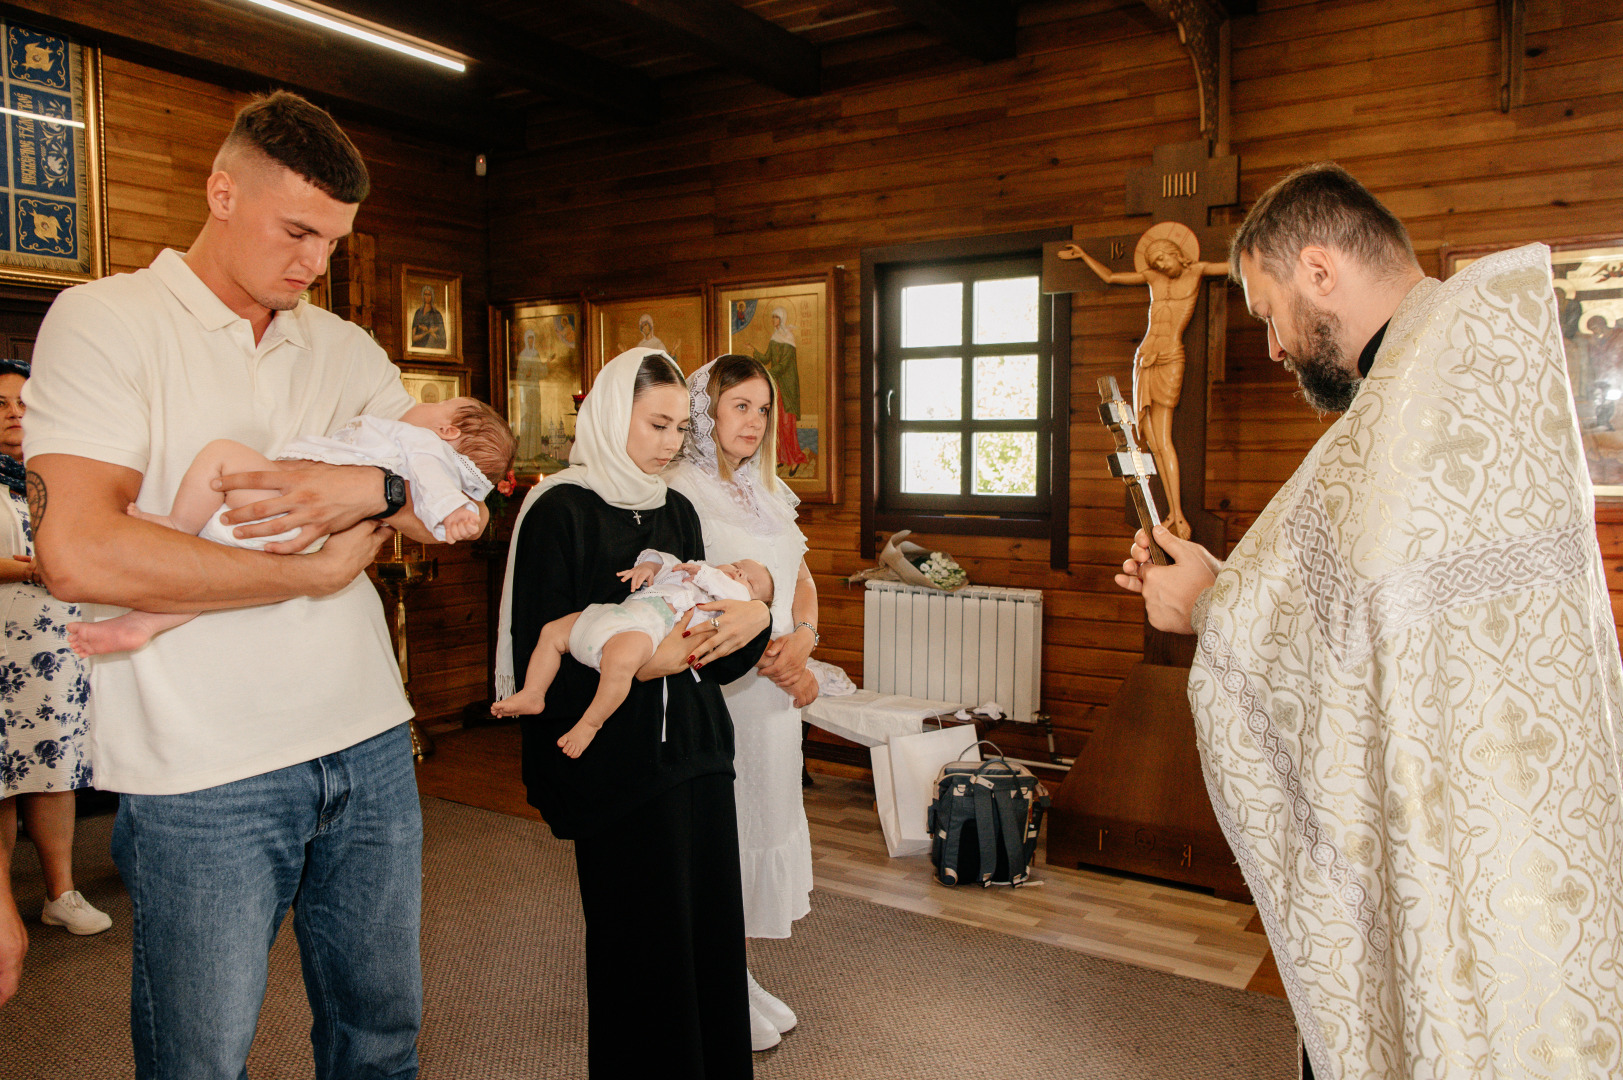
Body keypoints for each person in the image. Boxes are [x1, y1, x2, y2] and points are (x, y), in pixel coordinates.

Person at [1116, 163, 1623, 1080]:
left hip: (1460, 840)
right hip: (1501, 820)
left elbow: (1366, 613)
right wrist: (1225, 588)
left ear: (1317, 269)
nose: (1270, 347)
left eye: (1267, 313)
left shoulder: (1415, 402)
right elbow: (1387, 621)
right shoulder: (1464, 364)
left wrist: (1208, 608)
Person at [24, 91, 434, 1077]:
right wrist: (317, 566)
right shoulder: (103, 320)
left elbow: (435, 503)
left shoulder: (341, 345)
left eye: (332, 242)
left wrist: (364, 485)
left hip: (368, 739)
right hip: (204, 770)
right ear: (220, 191)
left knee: (381, 1037)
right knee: (198, 1061)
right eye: (297, 230)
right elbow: (81, 551)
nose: (314, 262)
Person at [496, 347, 772, 1078]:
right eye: (656, 425)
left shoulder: (675, 509)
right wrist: (647, 660)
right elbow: (542, 641)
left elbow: (703, 630)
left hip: (698, 756)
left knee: (709, 942)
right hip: (619, 769)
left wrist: (749, 625)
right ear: (613, 413)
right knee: (641, 955)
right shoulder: (559, 507)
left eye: (681, 430)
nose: (669, 444)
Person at [65, 397, 513, 657]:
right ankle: (144, 624)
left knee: (223, 454)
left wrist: (457, 510)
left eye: (437, 403)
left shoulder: (420, 444)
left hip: (282, 510)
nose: (422, 403)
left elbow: (438, 484)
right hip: (300, 539)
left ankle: (177, 523)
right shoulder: (417, 450)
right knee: (222, 576)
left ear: (447, 431)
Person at [665, 354, 819, 1052]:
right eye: (739, 407)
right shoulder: (679, 492)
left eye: (763, 409)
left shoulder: (771, 491)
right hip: (723, 688)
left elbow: (800, 577)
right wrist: (760, 642)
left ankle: (734, 970)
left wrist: (804, 640)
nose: (754, 422)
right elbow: (681, 593)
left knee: (763, 817)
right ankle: (711, 981)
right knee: (720, 833)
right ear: (707, 412)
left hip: (775, 694)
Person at [0, 358, 107, 1011]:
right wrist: (37, 565)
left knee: (55, 770)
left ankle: (60, 893)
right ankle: (2, 902)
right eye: (1, 404)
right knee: (2, 778)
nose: (14, 413)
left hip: (58, 640)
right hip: (3, 643)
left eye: (23, 402)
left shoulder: (53, 475)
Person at [492, 549, 773, 758]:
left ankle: (591, 722)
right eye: (738, 566)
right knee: (553, 632)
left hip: (645, 630)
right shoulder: (688, 571)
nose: (739, 574)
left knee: (621, 663)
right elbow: (660, 557)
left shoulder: (720, 604)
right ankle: (533, 692)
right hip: (617, 613)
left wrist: (714, 577)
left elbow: (736, 596)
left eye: (749, 582)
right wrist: (649, 567)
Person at [1060, 228, 1229, 539]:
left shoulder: (1199, 271)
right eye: (1155, 261)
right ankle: (1170, 514)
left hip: (1169, 357)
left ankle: (1178, 515)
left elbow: (1237, 267)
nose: (1161, 265)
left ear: (1178, 254)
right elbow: (1111, 278)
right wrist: (1084, 256)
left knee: (1164, 440)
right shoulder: (1153, 279)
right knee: (1149, 440)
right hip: (1143, 358)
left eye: (1163, 258)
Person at [410, 284, 447, 351]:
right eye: (425, 294)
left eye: (429, 295)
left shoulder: (437, 314)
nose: (427, 297)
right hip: (418, 348)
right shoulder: (418, 313)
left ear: (432, 296)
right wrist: (426, 332)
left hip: (432, 347)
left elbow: (443, 340)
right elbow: (413, 338)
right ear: (422, 296)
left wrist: (432, 332)